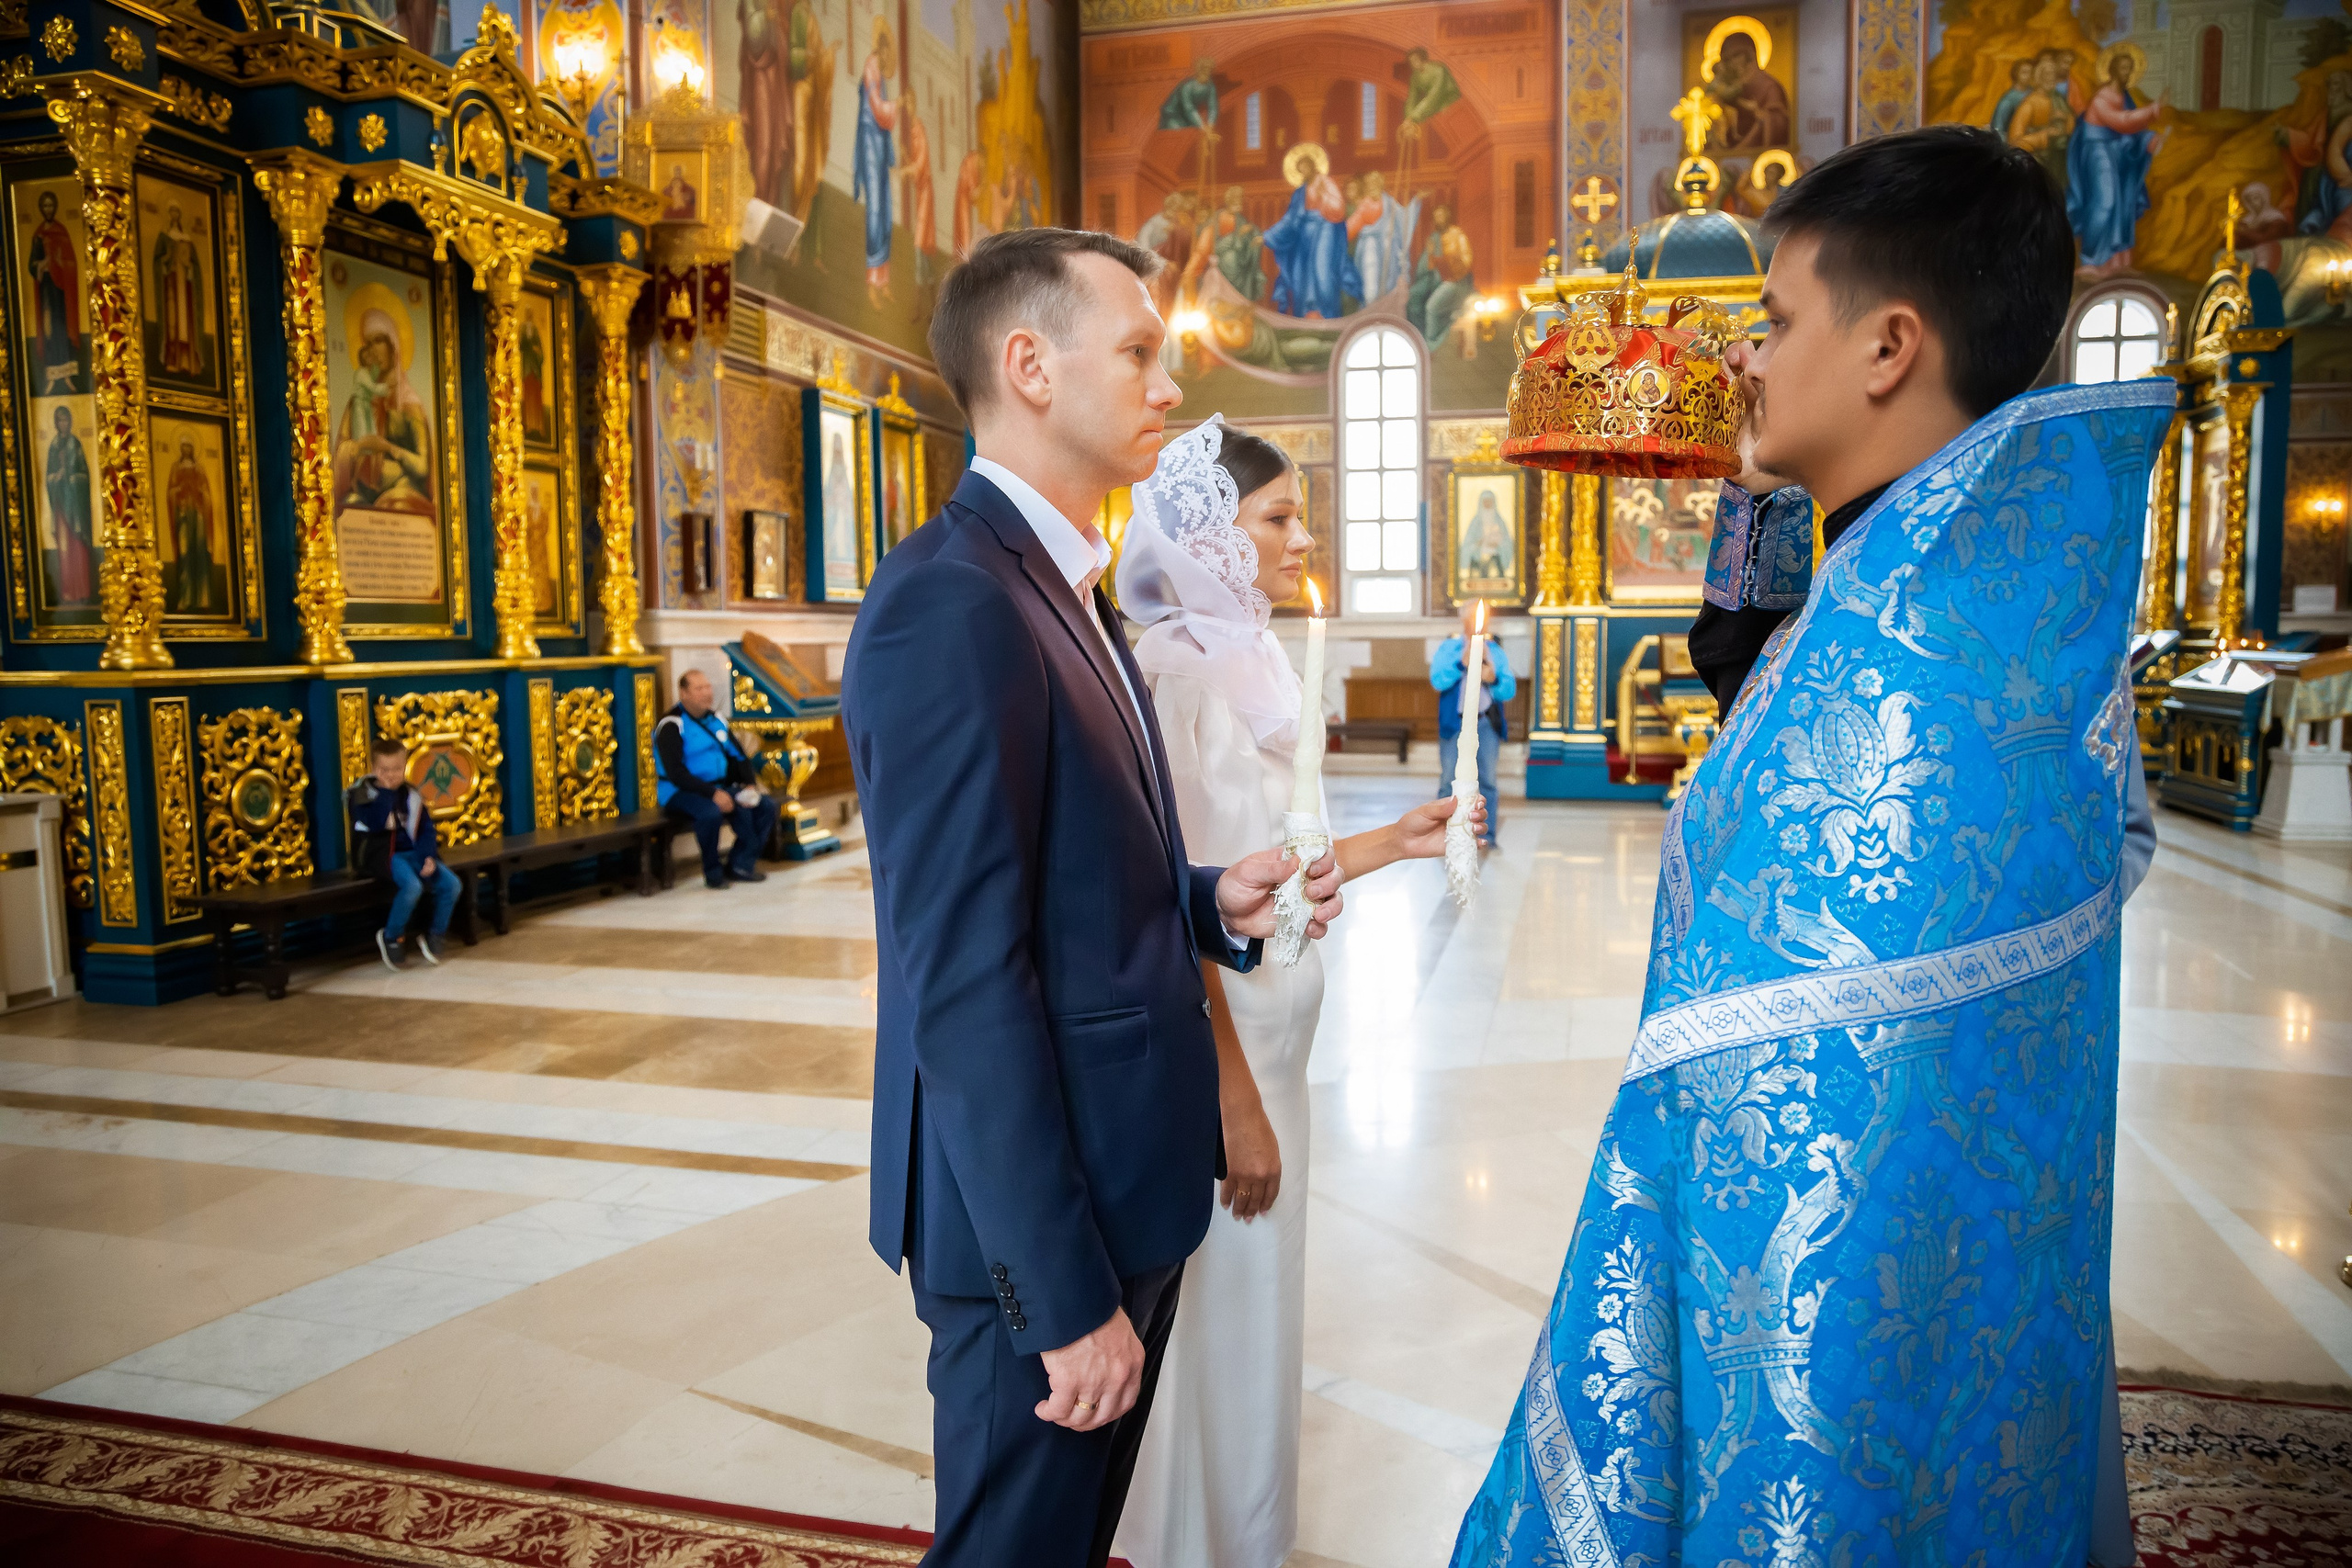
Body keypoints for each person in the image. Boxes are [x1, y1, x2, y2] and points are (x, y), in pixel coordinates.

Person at [1452, 125, 2172, 1568]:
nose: (1747, 364)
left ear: (1891, 344)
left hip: (1848, 1292)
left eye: (1774, 324)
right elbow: (1750, 650)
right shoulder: (1965, 587)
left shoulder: (1919, 661)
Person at [841, 227, 1346, 1568]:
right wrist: (1057, 1298)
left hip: (1119, 1168)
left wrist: (1200, 899)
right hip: (1034, 1229)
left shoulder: (1062, 586)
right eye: (1137, 353)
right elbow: (959, 977)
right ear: (1031, 366)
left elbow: (1070, 862)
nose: (1167, 389)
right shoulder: (951, 601)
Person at [1110, 416, 1482, 1568]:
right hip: (1221, 1060)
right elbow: (1173, 907)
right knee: (1218, 1305)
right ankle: (1194, 1544)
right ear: (1207, 533)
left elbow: (1269, 862)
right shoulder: (1172, 681)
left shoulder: (1248, 656)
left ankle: (1239, 1534)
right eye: (1275, 516)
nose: (1298, 535)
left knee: (1258, 1308)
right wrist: (1234, 1101)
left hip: (1275, 1038)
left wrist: (1390, 844)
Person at [653, 669, 778, 889]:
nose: (706, 693)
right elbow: (676, 773)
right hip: (679, 792)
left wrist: (749, 785)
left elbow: (739, 756)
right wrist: (714, 794)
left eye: (708, 687)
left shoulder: (716, 719)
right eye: (699, 688)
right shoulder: (672, 725)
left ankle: (741, 864)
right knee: (709, 813)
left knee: (765, 806)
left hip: (719, 787)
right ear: (683, 693)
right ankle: (713, 872)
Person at [349, 737, 462, 971]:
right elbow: (376, 823)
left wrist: (428, 857)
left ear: (405, 767)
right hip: (383, 856)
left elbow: (425, 830)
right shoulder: (361, 795)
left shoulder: (411, 795)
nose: (391, 775)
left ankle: (435, 934)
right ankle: (392, 936)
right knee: (413, 887)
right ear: (373, 769)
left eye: (396, 769)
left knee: (452, 885)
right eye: (384, 770)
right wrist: (386, 793)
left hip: (413, 853)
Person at [2068, 49, 2165, 275]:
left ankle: (2118, 263)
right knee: (2105, 202)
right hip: (2096, 150)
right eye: (2123, 68)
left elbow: (2130, 133)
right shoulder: (2102, 97)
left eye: (2130, 69)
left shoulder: (2126, 98)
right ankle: (2089, 260)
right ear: (2112, 70)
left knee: (2123, 204)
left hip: (2115, 152)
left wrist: (2148, 139)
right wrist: (2153, 110)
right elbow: (2122, 122)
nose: (2127, 73)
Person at [1432, 598, 1511, 849]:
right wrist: (1460, 664)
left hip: (1485, 724)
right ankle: (1443, 836)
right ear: (1463, 620)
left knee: (1487, 780)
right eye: (1470, 619)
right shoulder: (1450, 647)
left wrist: (1494, 678)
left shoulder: (1495, 650)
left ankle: (1486, 836)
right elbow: (1437, 680)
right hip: (1455, 724)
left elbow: (1508, 690)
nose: (1474, 623)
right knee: (1448, 780)